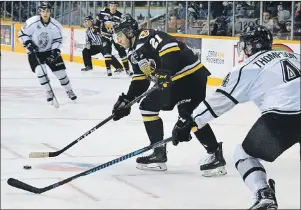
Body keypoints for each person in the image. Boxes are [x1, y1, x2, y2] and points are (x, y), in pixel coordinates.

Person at [172, 25, 301, 209]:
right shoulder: (295, 57)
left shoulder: (248, 67)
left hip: (283, 118)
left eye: (245, 45)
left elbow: (220, 100)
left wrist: (190, 122)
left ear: (251, 46)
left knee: (244, 155)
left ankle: (263, 194)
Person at [112, 14, 226, 176]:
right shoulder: (133, 53)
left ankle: (160, 153)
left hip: (188, 76)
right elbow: (140, 79)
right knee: (186, 114)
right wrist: (127, 100)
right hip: (178, 81)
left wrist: (165, 71)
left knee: (176, 112)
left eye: (119, 36)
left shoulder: (146, 36)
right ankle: (213, 155)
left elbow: (170, 47)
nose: (118, 40)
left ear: (129, 32)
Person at [18, 1, 77, 104]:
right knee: (41, 72)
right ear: (39, 11)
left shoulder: (56, 25)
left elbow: (58, 40)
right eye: (43, 10)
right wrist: (28, 42)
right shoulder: (32, 22)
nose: (45, 13)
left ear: (51, 12)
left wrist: (55, 51)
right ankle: (48, 91)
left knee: (61, 74)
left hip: (50, 51)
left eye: (48, 11)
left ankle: (69, 90)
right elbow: (22, 34)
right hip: (35, 52)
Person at [94, 1, 132, 76]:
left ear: (116, 7)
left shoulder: (120, 15)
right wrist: (96, 28)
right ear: (109, 6)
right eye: (111, 5)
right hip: (105, 35)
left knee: (122, 51)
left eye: (114, 6)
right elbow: (98, 20)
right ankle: (108, 69)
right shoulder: (103, 12)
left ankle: (127, 70)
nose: (113, 7)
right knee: (107, 51)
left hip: (116, 36)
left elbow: (123, 26)